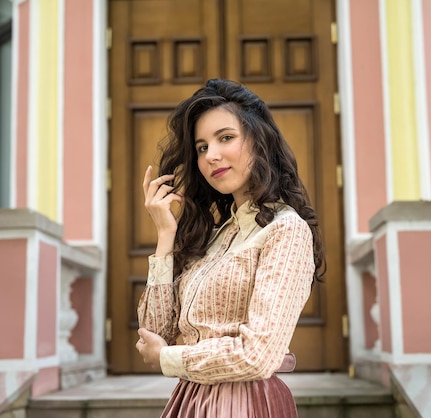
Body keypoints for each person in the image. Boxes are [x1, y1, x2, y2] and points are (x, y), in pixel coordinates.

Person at [136, 78, 325, 417]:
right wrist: (165, 235)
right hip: (190, 401)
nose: (212, 155)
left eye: (225, 138)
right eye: (202, 147)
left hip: (244, 404)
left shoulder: (286, 231)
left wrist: (169, 358)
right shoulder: (215, 238)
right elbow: (154, 333)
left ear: (259, 140)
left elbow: (259, 355)